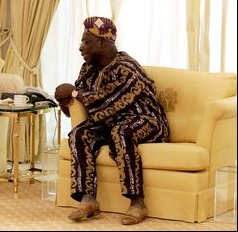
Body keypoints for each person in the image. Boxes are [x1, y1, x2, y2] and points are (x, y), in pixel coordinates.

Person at [54, 16, 170, 225]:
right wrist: (64, 99)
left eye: (86, 42)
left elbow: (108, 101)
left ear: (104, 42)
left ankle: (137, 203)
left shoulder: (126, 68)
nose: (81, 48)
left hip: (146, 120)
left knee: (121, 132)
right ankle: (88, 199)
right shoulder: (88, 69)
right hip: (109, 122)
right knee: (80, 134)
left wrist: (73, 93)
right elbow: (78, 109)